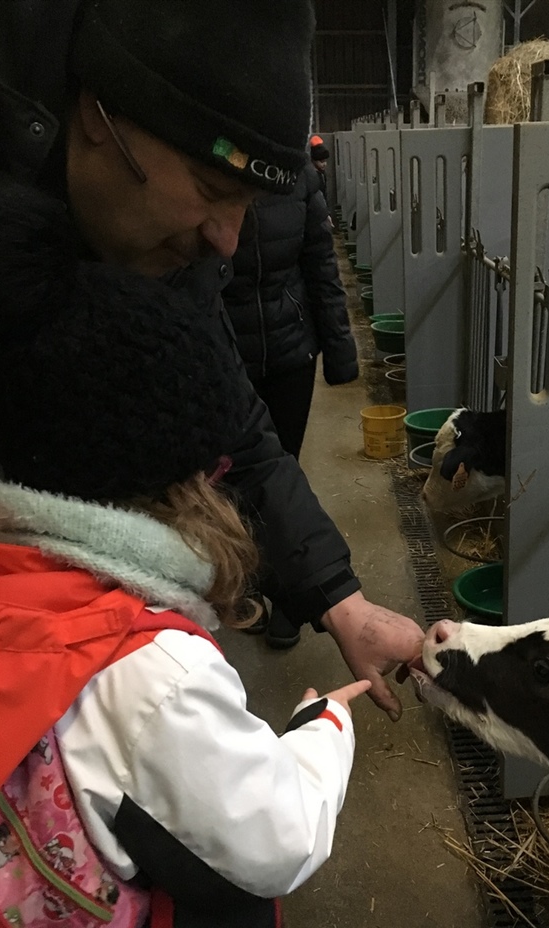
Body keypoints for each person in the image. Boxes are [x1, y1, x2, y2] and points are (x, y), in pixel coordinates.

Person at [0, 179, 370, 928]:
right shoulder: (148, 675)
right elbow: (276, 835)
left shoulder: (23, 587)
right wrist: (324, 727)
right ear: (180, 485)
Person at [0, 0, 423, 721]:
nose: (227, 238)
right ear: (100, 114)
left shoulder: (163, 256)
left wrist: (341, 601)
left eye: (247, 204)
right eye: (213, 189)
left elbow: (230, 427)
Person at [224, 161, 358, 648]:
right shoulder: (214, 168)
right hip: (225, 354)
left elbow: (321, 265)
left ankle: (285, 595)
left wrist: (340, 352)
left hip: (290, 353)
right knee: (228, 479)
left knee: (281, 466)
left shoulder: (298, 176)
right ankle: (244, 577)